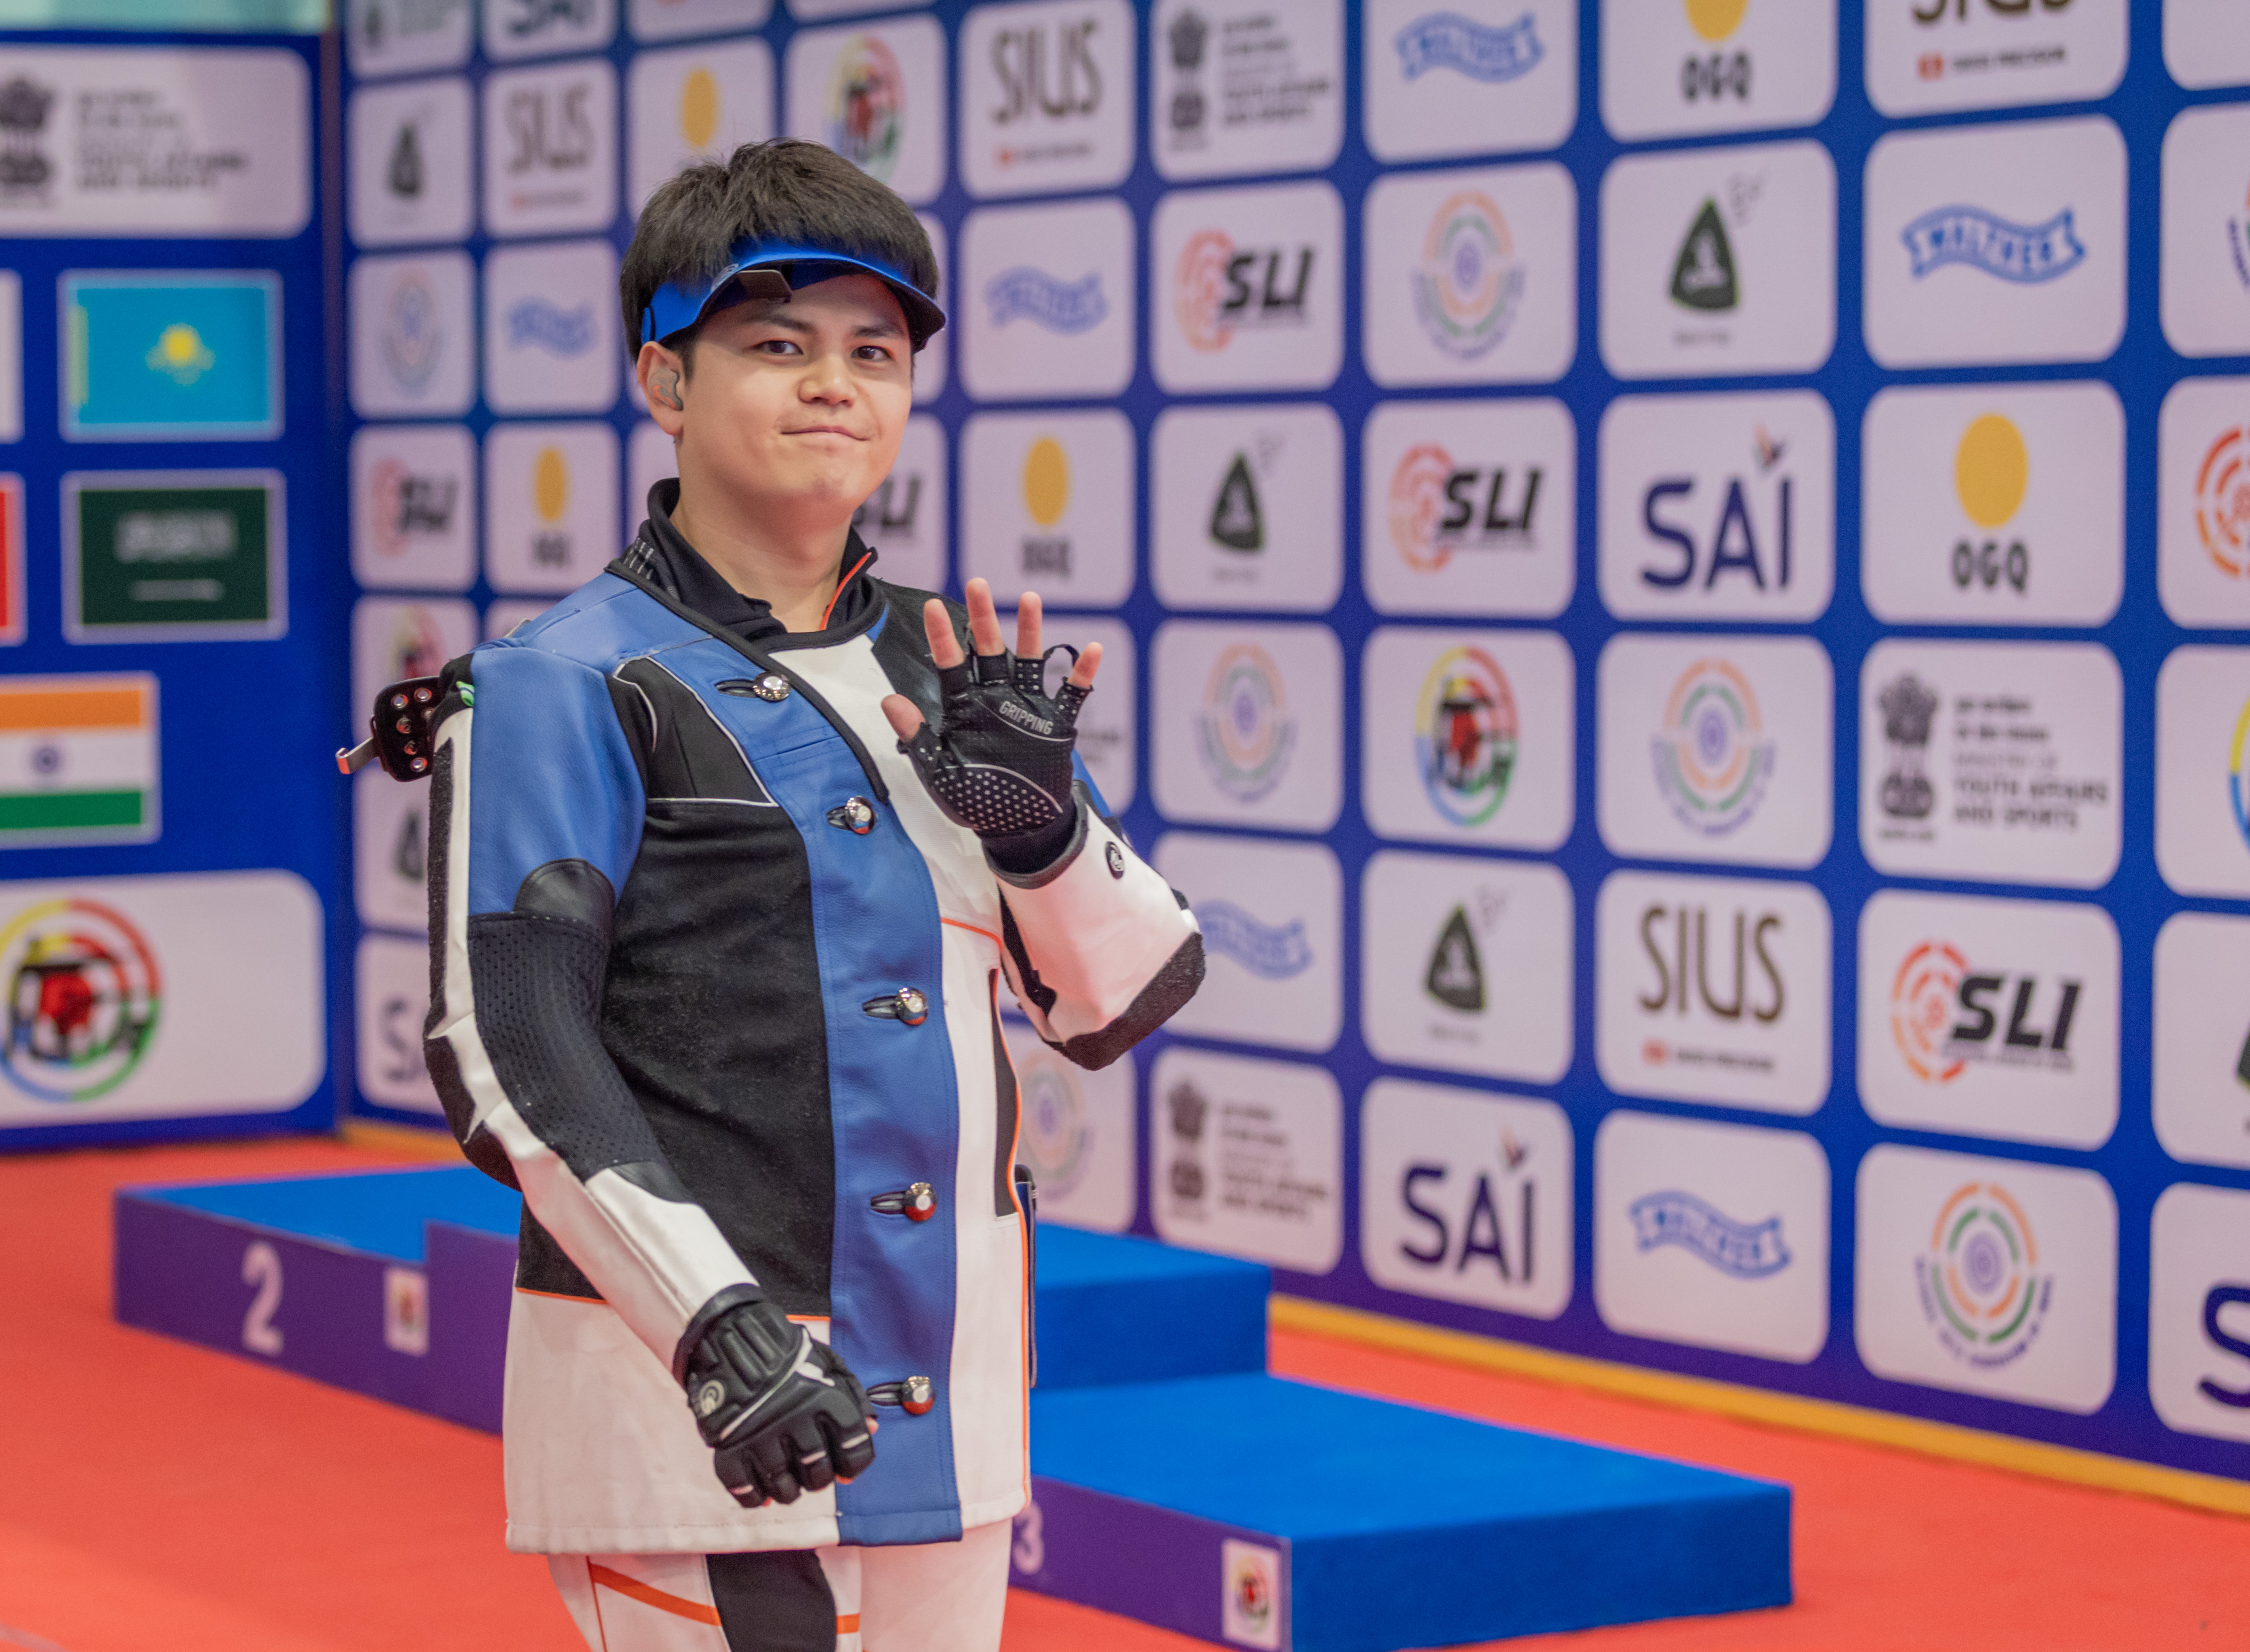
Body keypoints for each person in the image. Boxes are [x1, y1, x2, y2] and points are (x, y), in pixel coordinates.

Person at [414, 139, 1203, 1652]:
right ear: (664, 380)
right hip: (705, 1408)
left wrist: (1043, 834)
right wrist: (710, 1324)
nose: (835, 384)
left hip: (951, 1393)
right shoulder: (556, 680)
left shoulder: (947, 661)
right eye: (778, 346)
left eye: (874, 353)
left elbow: (1123, 998)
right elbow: (509, 1050)